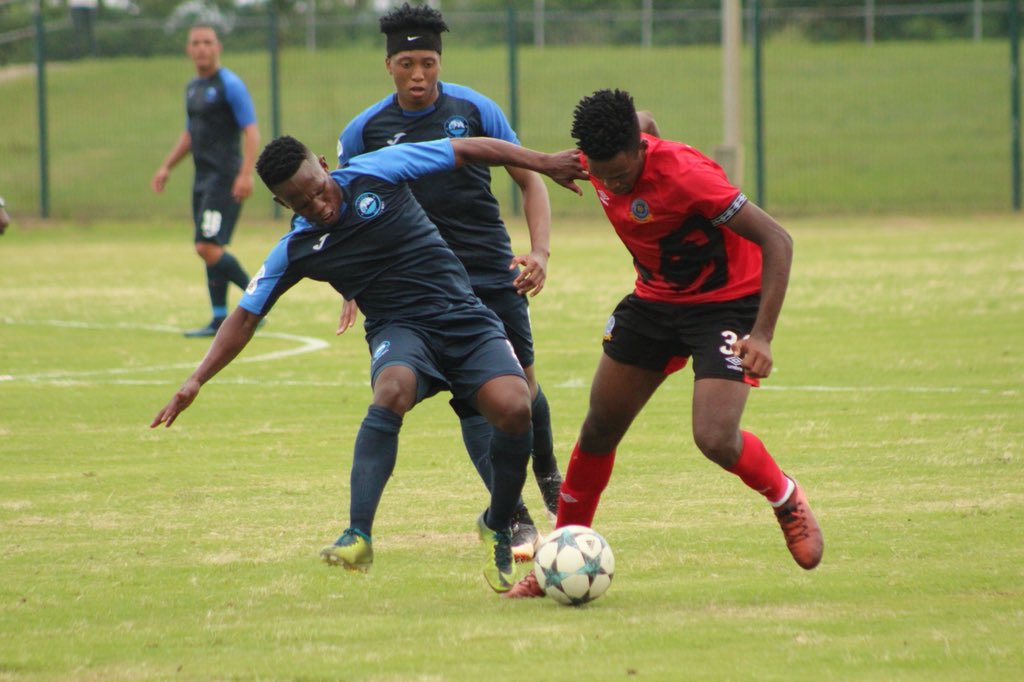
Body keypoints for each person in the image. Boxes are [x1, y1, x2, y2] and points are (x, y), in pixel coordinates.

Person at [150, 134, 586, 594]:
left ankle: (496, 522)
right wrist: (196, 380)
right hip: (400, 331)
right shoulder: (297, 248)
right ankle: (358, 534)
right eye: (298, 202)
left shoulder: (377, 170)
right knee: (392, 388)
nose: (316, 205)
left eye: (317, 188)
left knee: (516, 407)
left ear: (323, 165)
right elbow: (244, 318)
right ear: (281, 202)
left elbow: (469, 149)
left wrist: (542, 162)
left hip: (464, 318)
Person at [505, 89, 824, 598]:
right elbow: (644, 117)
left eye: (621, 175)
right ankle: (556, 559)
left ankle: (785, 497)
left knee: (715, 437)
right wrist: (544, 162)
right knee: (599, 427)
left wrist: (762, 335)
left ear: (641, 149)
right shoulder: (600, 155)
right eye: (602, 175)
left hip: (727, 303)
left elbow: (778, 240)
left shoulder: (688, 176)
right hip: (655, 302)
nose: (611, 184)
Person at [335, 2, 562, 561]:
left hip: (489, 272)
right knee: (473, 399)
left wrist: (538, 251)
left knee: (522, 390)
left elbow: (530, 181)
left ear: (441, 61)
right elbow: (341, 214)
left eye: (428, 62)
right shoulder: (363, 131)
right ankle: (514, 517)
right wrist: (349, 286)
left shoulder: (475, 109)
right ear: (388, 64)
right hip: (418, 288)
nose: (419, 75)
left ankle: (552, 475)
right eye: (407, 62)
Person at [151, 23, 260, 338]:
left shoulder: (230, 85)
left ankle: (257, 299)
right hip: (202, 179)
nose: (201, 48)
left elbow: (251, 131)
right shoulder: (193, 88)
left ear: (218, 48)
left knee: (206, 245)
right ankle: (218, 317)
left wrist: (245, 174)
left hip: (224, 178)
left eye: (207, 42)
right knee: (211, 245)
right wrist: (166, 166)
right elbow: (190, 134)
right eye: (195, 42)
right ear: (189, 49)